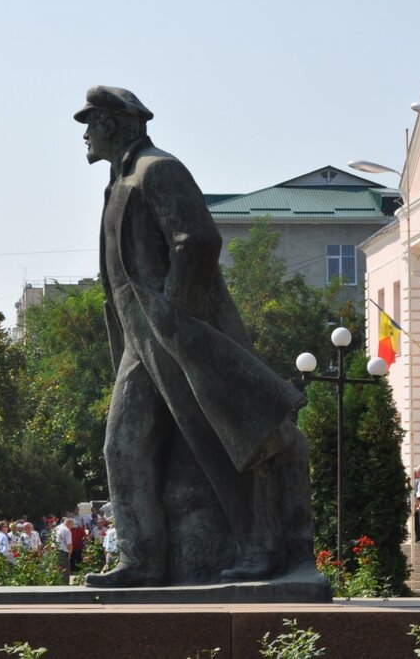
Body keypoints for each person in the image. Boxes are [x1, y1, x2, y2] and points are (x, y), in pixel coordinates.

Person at [75, 85, 314, 586]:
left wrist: (175, 312)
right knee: (122, 445)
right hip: (141, 343)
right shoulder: (120, 182)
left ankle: (263, 547)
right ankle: (141, 560)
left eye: (90, 122)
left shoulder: (157, 170)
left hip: (175, 337)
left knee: (224, 438)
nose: (85, 135)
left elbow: (198, 240)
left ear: (114, 123)